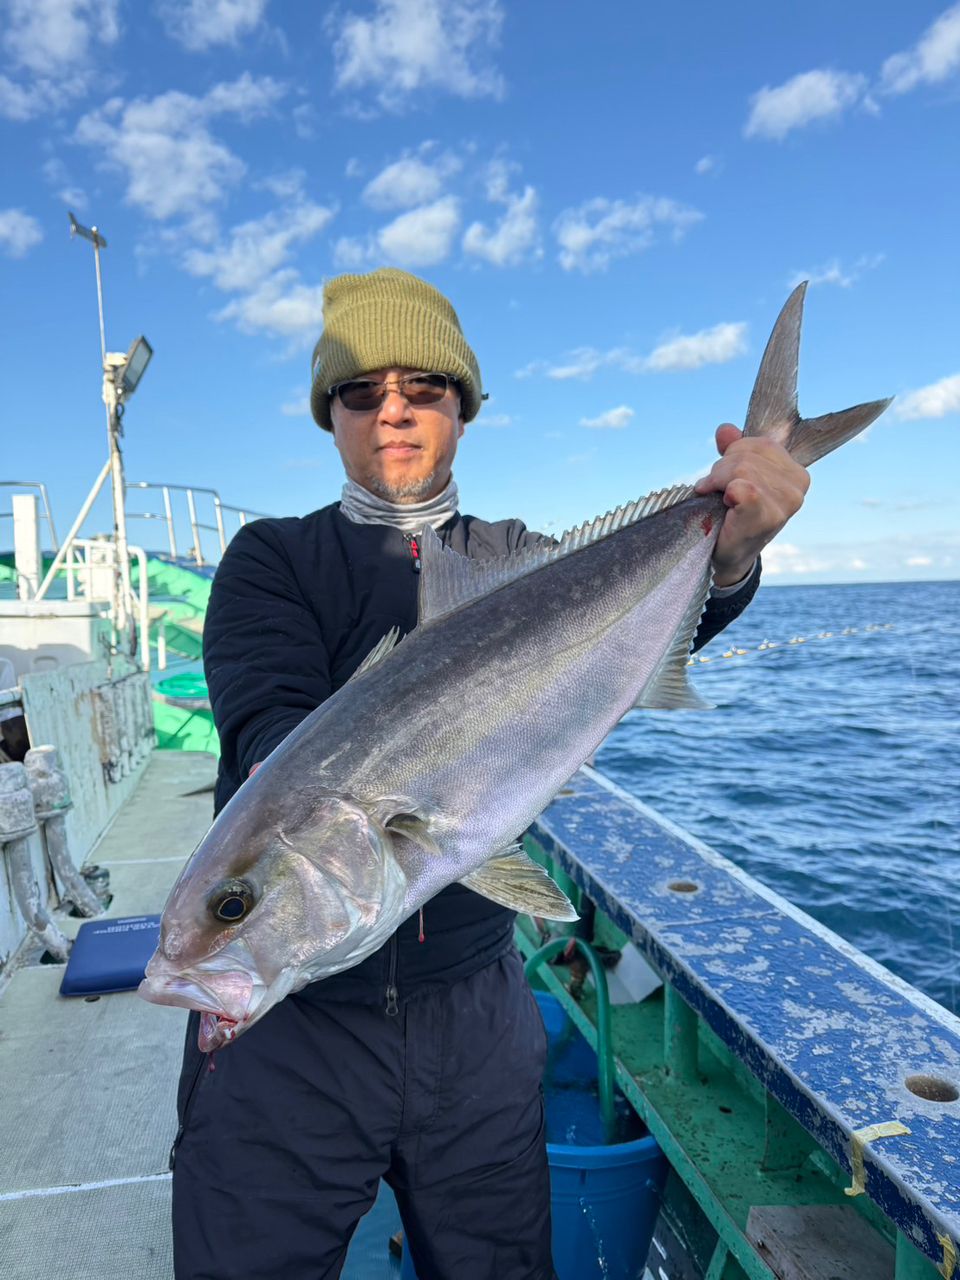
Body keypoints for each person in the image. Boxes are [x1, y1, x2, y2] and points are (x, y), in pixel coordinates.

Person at [170, 268, 810, 1280]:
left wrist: (727, 555)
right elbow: (272, 737)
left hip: (476, 1009)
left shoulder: (524, 560)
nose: (392, 409)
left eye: (422, 386)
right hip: (296, 1035)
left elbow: (636, 636)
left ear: (462, 405)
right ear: (328, 415)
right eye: (360, 391)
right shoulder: (272, 561)